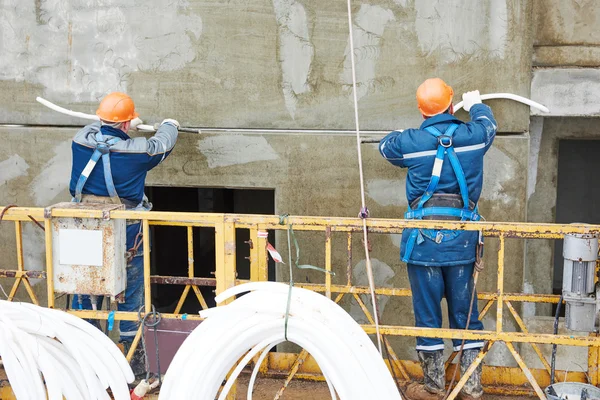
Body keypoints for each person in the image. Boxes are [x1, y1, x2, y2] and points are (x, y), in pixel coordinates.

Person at [379, 78, 497, 400]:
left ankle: (433, 387)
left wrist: (410, 133)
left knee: (428, 316)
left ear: (421, 110)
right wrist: (476, 106)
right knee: (466, 316)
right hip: (462, 244)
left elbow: (385, 146)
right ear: (450, 103)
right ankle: (470, 388)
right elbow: (489, 126)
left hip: (423, 246)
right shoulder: (474, 136)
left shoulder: (411, 141)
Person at [68, 92, 179, 374]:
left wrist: (121, 123)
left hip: (84, 229)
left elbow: (95, 129)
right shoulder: (136, 152)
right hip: (126, 231)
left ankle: (86, 365)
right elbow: (162, 144)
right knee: (130, 294)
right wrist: (170, 123)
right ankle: (134, 366)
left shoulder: (80, 141)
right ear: (127, 124)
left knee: (86, 288)